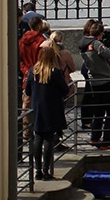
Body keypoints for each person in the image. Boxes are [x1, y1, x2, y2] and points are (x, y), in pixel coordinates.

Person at [28, 44, 72, 180]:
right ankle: (46, 171)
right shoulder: (54, 72)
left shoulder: (33, 71)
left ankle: (37, 170)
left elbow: (28, 91)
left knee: (38, 138)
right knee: (48, 139)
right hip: (51, 109)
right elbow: (65, 90)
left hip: (37, 108)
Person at [79, 19, 110, 150]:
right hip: (106, 81)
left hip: (94, 81)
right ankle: (108, 140)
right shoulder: (96, 44)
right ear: (99, 34)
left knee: (98, 112)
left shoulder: (83, 43)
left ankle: (95, 138)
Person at [18, 15, 48, 143]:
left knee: (26, 103)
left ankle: (26, 130)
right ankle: (39, 128)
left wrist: (26, 71)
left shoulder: (22, 40)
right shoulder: (41, 40)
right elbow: (43, 59)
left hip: (27, 74)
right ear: (39, 26)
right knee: (41, 103)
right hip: (40, 74)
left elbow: (20, 58)